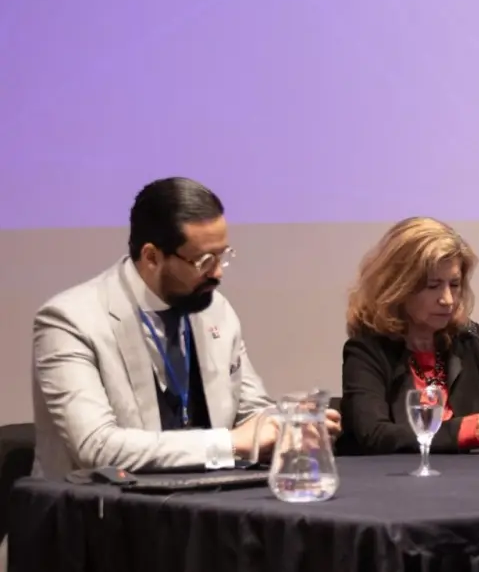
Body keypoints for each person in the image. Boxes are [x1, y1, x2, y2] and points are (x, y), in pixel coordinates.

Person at [31, 177, 340, 480]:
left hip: (201, 503)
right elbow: (96, 447)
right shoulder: (70, 321)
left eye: (222, 256)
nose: (217, 273)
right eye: (204, 260)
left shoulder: (214, 309)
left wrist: (290, 424)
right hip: (98, 507)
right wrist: (228, 444)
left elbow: (250, 412)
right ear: (152, 257)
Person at [340, 217, 479, 454]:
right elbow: (374, 435)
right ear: (399, 287)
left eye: (455, 285)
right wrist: (478, 427)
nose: (447, 299)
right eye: (433, 286)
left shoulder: (469, 338)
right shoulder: (367, 350)